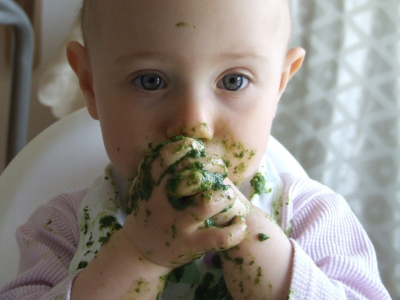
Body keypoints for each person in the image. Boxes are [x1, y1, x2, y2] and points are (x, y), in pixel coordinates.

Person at [0, 1, 391, 299]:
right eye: (151, 81)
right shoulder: (58, 230)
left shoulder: (315, 219)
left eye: (234, 80)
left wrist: (260, 252)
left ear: (278, 86)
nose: (193, 122)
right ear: (89, 84)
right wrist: (137, 254)